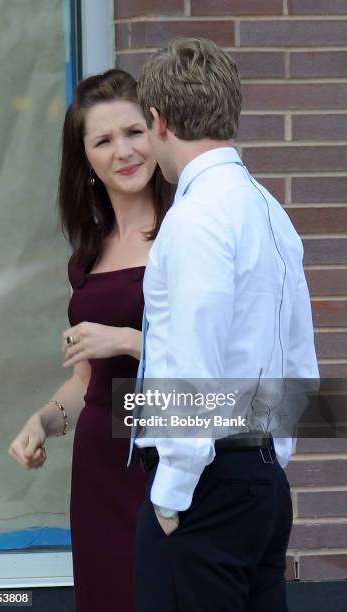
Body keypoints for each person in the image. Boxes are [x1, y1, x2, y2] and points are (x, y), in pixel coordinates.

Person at [131, 38, 319, 611]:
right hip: (259, 480)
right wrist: (271, 461)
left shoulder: (196, 218)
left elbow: (192, 362)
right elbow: (300, 362)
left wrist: (172, 492)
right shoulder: (268, 209)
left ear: (158, 121)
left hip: (204, 485)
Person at [8, 69, 173, 611]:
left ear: (157, 132)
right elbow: (88, 379)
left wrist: (127, 340)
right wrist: (44, 419)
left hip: (168, 463)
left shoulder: (186, 234)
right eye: (104, 140)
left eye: (134, 131)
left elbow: (228, 368)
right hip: (99, 467)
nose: (124, 151)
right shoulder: (87, 255)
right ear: (85, 161)